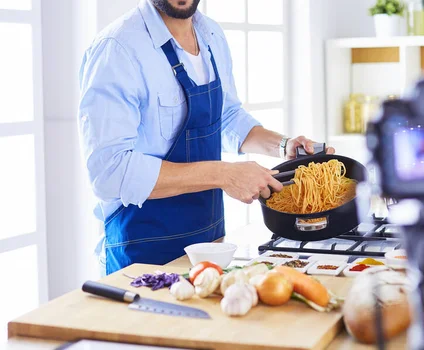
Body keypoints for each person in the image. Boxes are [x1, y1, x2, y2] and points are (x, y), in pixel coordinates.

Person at [78, 0, 333, 275]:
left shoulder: (210, 34)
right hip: (142, 254)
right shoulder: (117, 49)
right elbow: (109, 173)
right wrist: (224, 175)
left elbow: (227, 116)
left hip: (209, 246)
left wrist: (283, 146)